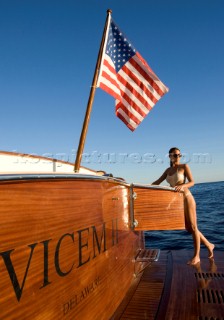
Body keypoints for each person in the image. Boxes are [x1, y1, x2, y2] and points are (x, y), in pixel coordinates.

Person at [152, 147, 214, 265]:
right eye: (175, 155)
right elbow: (157, 182)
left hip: (187, 198)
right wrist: (141, 187)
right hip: (177, 201)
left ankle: (197, 256)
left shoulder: (184, 167)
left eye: (179, 155)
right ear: (170, 156)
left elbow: (192, 182)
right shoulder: (167, 170)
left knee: (194, 227)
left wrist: (183, 186)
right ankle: (209, 244)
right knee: (188, 228)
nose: (178, 157)